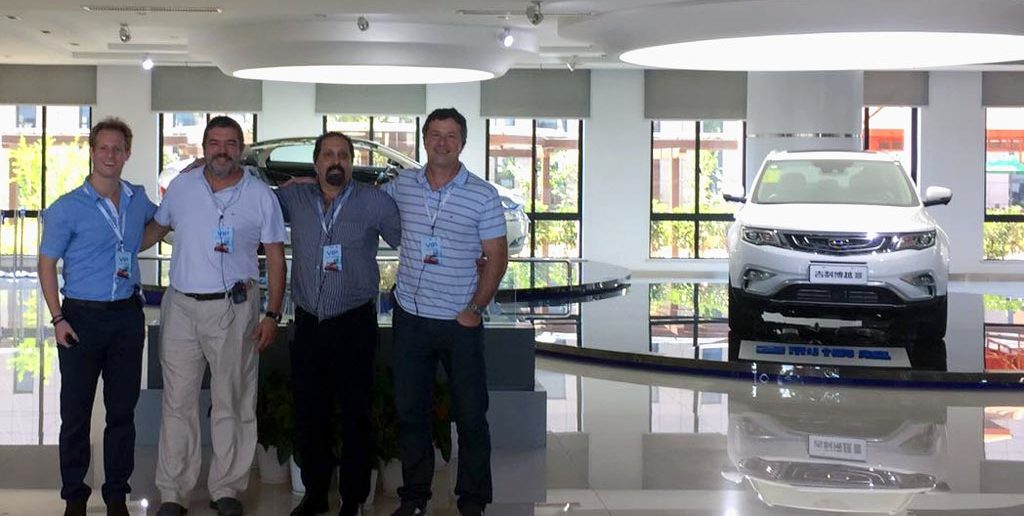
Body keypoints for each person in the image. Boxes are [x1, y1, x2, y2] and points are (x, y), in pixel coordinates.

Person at [145, 116, 287, 516]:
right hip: (181, 308)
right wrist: (109, 246)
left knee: (233, 400)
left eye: (230, 143)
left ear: (240, 149)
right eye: (214, 143)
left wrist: (272, 313)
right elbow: (155, 229)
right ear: (203, 147)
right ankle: (173, 492)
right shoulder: (182, 187)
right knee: (177, 403)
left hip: (234, 309)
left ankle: (227, 489)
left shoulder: (260, 195)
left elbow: (275, 257)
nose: (221, 150)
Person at [384, 108, 508, 516]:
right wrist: (306, 183)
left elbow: (497, 256)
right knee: (411, 414)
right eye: (435, 134)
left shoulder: (483, 194)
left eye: (450, 135)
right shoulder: (402, 185)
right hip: (411, 317)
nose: (442, 142)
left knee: (471, 416)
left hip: (460, 322)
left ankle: (472, 501)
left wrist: (475, 308)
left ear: (462, 142)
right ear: (424, 140)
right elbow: (362, 201)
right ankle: (414, 498)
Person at [38, 117, 157, 516]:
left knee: (122, 413)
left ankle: (116, 494)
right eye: (103, 148)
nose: (110, 155)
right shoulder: (66, 207)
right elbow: (46, 264)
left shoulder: (137, 199)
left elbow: (158, 225)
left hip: (126, 318)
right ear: (92, 152)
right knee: (75, 413)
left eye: (117, 148)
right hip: (80, 319)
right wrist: (58, 319)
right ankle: (75, 495)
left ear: (127, 153)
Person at [278, 132, 401, 516]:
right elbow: (248, 203)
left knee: (355, 414)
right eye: (328, 155)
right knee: (309, 413)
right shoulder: (294, 199)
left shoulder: (375, 202)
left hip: (353, 324)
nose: (336, 161)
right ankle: (315, 494)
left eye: (343, 155)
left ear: (352, 162)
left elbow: (409, 240)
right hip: (309, 324)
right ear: (316, 163)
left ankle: (353, 499)